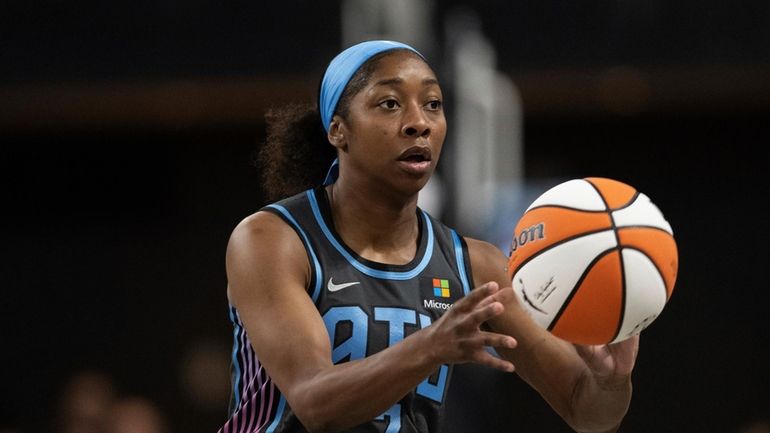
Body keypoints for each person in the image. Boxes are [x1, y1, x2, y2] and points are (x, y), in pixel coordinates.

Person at [219, 40, 639, 433]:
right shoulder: (272, 240)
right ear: (338, 130)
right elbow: (314, 402)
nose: (418, 122)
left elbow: (587, 413)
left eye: (433, 104)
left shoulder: (475, 264)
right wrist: (430, 346)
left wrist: (610, 381)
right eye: (389, 103)